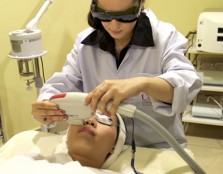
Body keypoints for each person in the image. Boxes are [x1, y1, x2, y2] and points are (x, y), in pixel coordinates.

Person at [32, 0, 202, 148]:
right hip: (100, 147)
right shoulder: (85, 44)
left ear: (140, 5)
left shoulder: (165, 37)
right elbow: (65, 81)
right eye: (104, 15)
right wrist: (45, 104)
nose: (114, 25)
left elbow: (186, 84)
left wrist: (144, 84)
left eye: (125, 16)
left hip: (155, 146)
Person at [0, 112, 126, 173]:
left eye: (105, 119)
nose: (89, 120)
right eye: (83, 113)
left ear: (114, 146)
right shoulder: (23, 163)